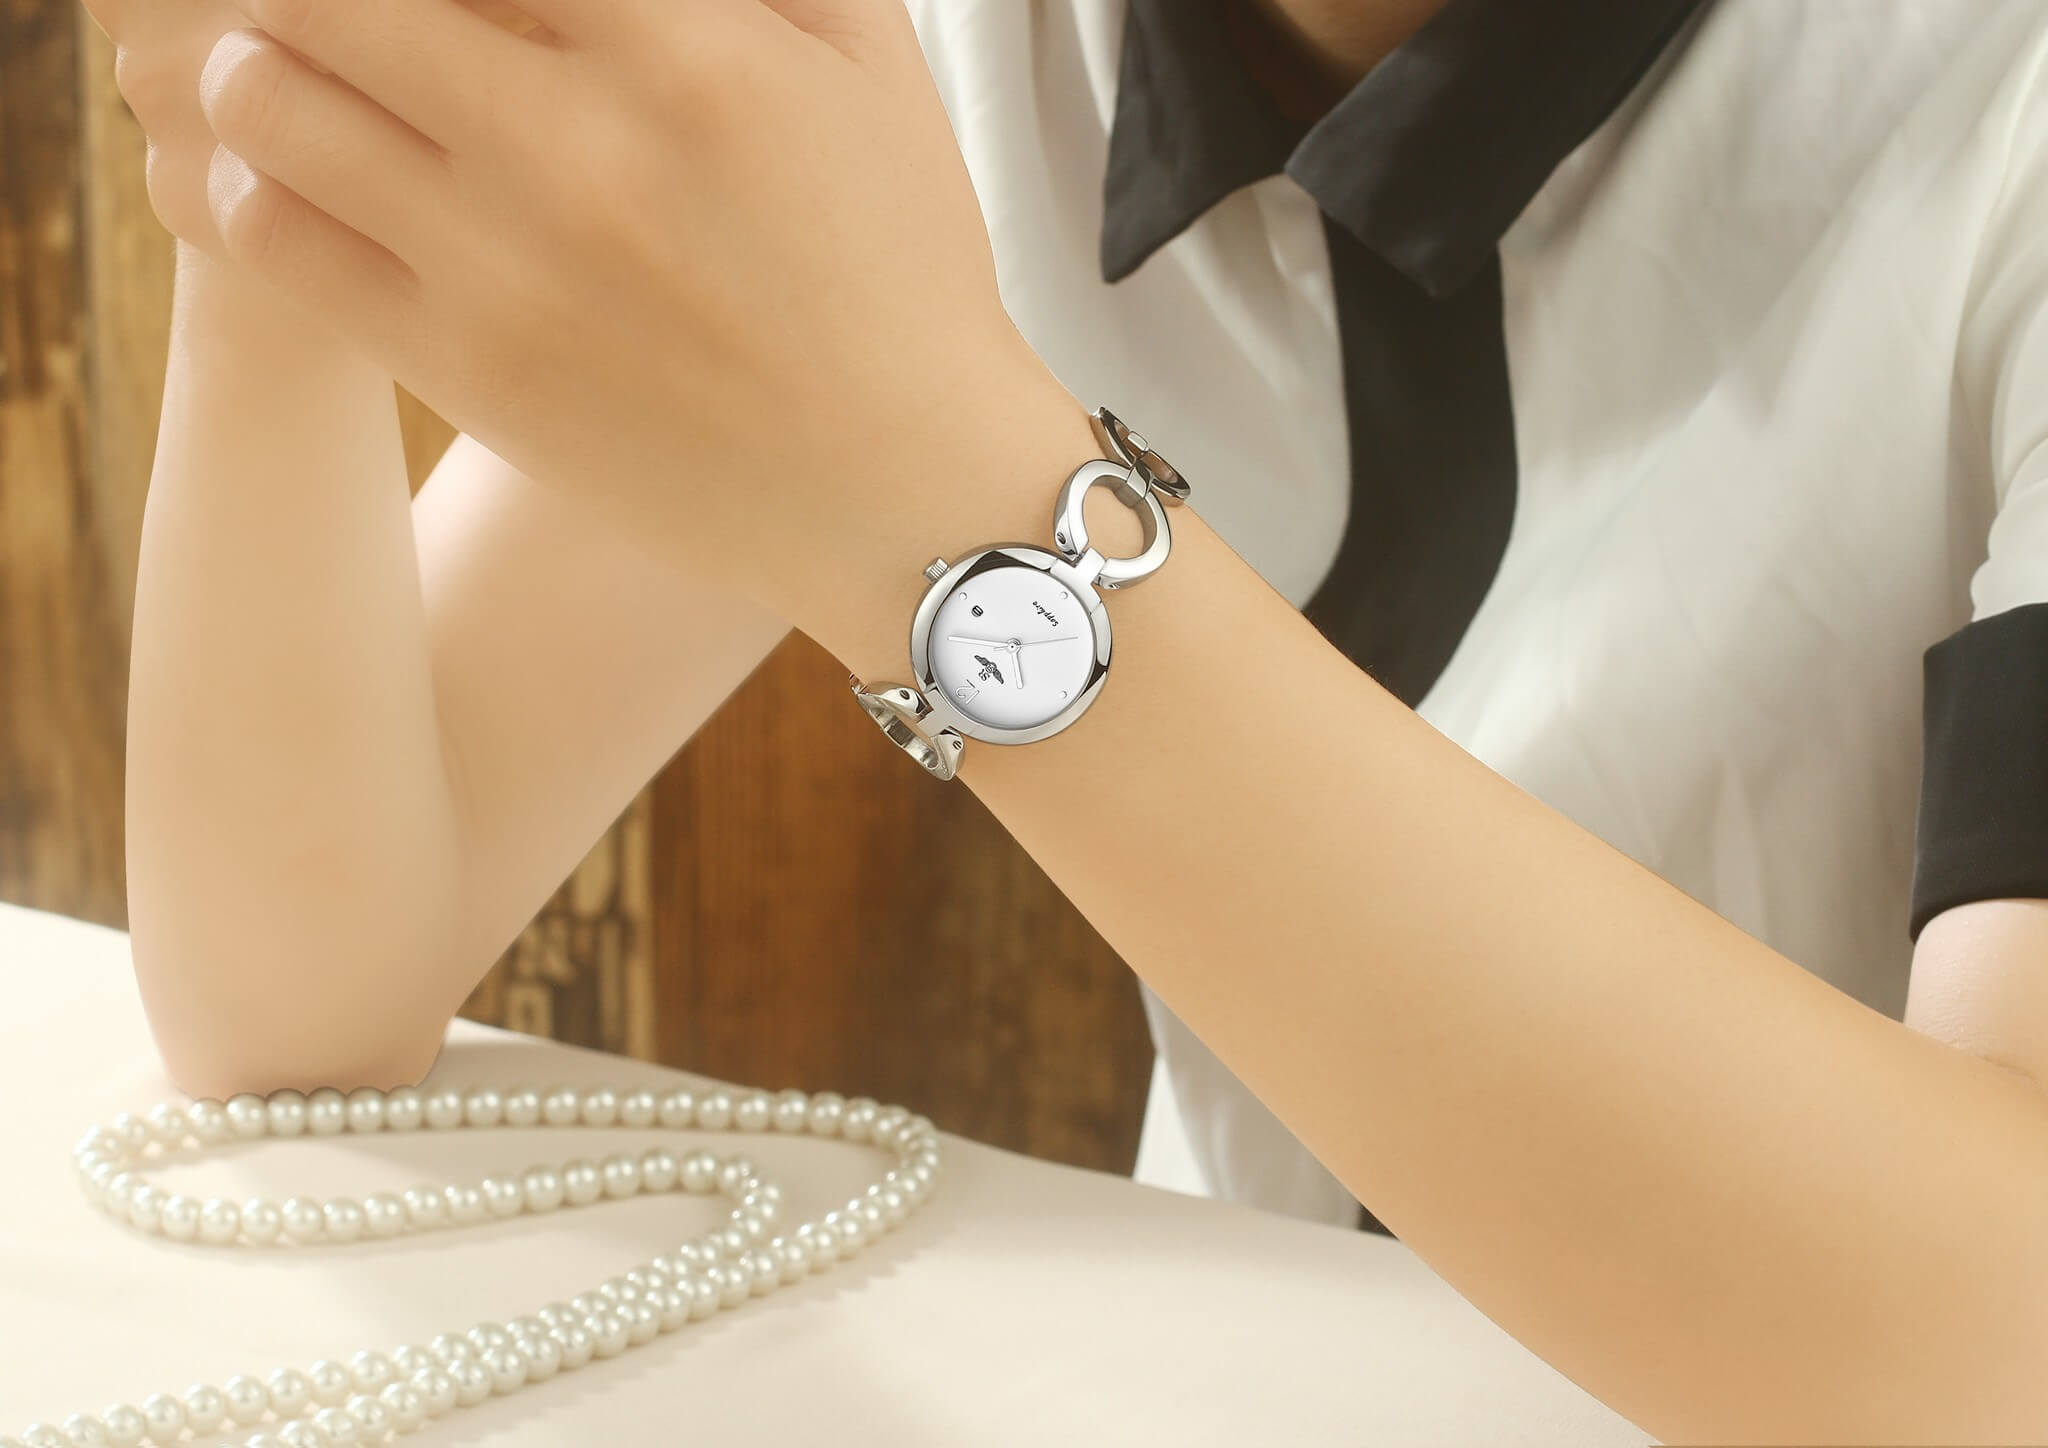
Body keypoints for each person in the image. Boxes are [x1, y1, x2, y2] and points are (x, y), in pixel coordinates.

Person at [98, 0, 2048, 1438]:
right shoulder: (956, 48)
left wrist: (944, 502)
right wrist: (277, 165)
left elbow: (1998, 1342)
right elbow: (296, 999)